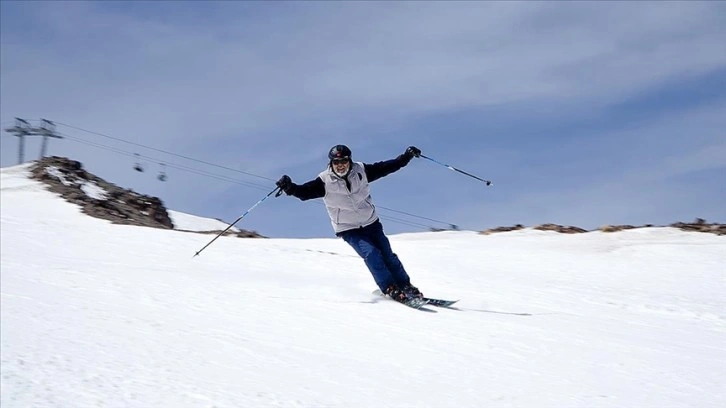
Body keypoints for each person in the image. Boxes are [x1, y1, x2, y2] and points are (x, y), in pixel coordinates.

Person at [276, 144, 424, 303]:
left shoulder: (361, 171)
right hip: (349, 229)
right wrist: (289, 187)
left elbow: (386, 167)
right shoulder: (324, 181)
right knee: (372, 254)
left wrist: (406, 157)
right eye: (336, 162)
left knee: (388, 254)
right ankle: (389, 287)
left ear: (350, 161)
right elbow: (304, 192)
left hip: (371, 222)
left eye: (344, 161)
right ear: (331, 163)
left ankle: (405, 285)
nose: (340, 165)